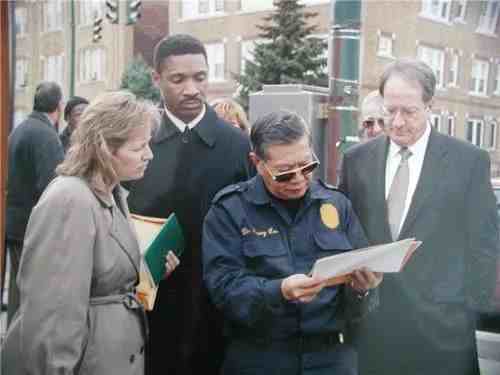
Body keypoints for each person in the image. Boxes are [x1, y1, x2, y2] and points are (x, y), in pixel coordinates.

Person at [1, 91, 180, 375]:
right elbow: (53, 314)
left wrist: (147, 272)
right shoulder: (70, 200)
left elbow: (103, 275)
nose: (149, 154)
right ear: (105, 148)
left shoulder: (112, 192)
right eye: (139, 147)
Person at [340, 59, 499, 375]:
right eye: (389, 111)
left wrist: (464, 311)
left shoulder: (468, 162)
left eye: (409, 111)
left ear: (430, 105)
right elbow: (346, 236)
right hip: (375, 332)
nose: (397, 122)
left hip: (444, 336)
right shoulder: (357, 160)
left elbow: (485, 245)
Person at [203, 110, 382, 375]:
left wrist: (363, 289)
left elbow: (360, 297)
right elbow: (223, 288)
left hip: (330, 358)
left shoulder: (336, 204)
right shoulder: (230, 209)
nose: (299, 179)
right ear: (257, 162)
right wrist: (280, 291)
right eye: (284, 173)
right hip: (261, 357)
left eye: (307, 166)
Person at [126, 34, 254, 375]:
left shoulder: (238, 147)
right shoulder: (136, 144)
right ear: (157, 79)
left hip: (218, 310)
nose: (192, 89)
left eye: (200, 77)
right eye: (178, 79)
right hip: (147, 309)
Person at [5, 81, 65, 325]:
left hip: (15, 224)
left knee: (18, 291)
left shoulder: (20, 130)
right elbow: (53, 188)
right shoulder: (46, 135)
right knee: (31, 294)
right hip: (32, 228)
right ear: (59, 106)